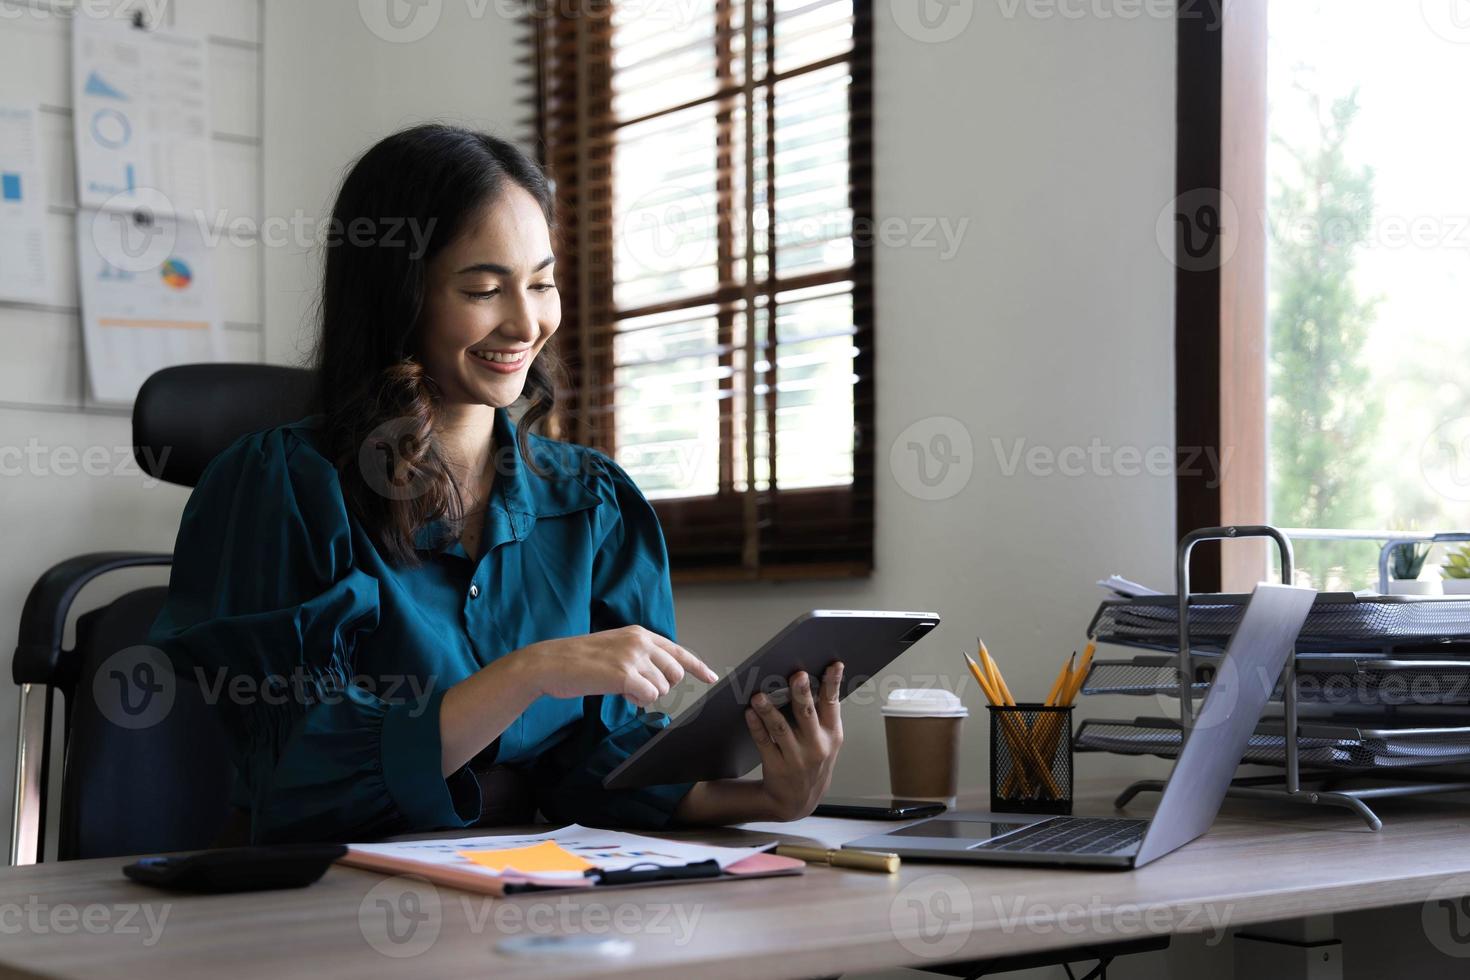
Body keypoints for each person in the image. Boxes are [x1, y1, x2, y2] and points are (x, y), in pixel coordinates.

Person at [145, 124, 844, 844]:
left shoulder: (592, 502)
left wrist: (767, 798)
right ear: (398, 296)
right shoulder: (282, 489)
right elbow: (300, 773)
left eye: (541, 282)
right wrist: (527, 673)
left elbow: (599, 765)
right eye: (484, 288)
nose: (526, 321)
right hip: (325, 903)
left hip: (515, 893)